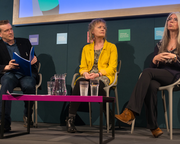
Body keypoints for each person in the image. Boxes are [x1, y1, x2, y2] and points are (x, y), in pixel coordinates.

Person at [115, 12, 180, 138]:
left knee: (146, 72)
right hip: (161, 75)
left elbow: (150, 71)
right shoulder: (160, 44)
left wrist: (175, 58)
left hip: (175, 75)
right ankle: (154, 126)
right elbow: (153, 68)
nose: (170, 21)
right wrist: (155, 59)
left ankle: (130, 111)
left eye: (175, 19)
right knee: (150, 85)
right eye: (169, 19)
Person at [66, 18, 118, 133]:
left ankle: (109, 116)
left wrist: (98, 74)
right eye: (99, 27)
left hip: (104, 76)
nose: (103, 29)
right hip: (89, 76)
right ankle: (70, 119)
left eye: (104, 27)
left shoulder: (111, 47)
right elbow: (82, 67)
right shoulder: (86, 48)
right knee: (79, 82)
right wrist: (85, 73)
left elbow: (112, 67)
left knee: (97, 83)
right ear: (92, 31)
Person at [0, 20, 39, 132]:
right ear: (0, 34)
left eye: (11, 29)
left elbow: (36, 61)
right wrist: (7, 67)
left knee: (29, 85)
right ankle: (4, 122)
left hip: (26, 74)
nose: (10, 32)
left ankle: (27, 114)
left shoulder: (25, 42)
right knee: (6, 83)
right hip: (9, 74)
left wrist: (34, 61)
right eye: (6, 30)